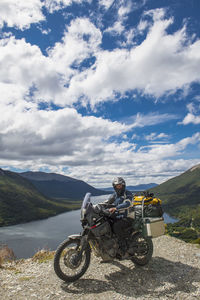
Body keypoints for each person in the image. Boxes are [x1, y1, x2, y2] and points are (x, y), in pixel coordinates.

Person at [104, 177, 133, 254]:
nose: (118, 187)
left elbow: (128, 203)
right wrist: (98, 206)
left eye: (120, 185)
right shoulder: (114, 195)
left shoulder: (127, 193)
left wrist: (116, 208)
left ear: (123, 185)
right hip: (118, 217)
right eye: (117, 186)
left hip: (128, 217)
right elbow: (107, 202)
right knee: (106, 223)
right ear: (114, 187)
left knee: (116, 226)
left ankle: (125, 245)